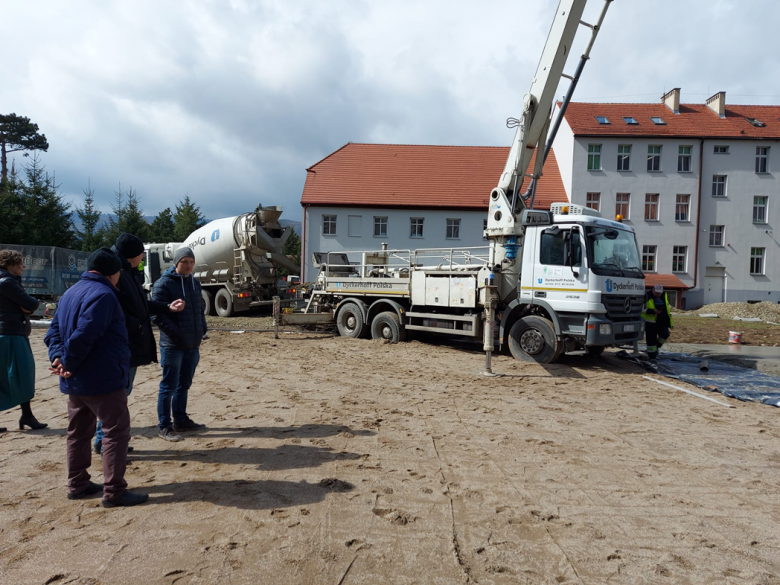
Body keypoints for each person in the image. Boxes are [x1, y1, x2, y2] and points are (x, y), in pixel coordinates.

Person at [44, 248, 148, 507]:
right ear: (113, 274)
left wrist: (58, 358)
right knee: (115, 431)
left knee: (78, 432)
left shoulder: (70, 292)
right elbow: (85, 334)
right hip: (101, 376)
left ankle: (77, 483)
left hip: (77, 379)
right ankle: (114, 491)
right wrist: (66, 361)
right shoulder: (104, 295)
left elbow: (54, 330)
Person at [92, 234, 185, 455]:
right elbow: (120, 311)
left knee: (121, 393)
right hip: (124, 345)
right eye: (140, 253)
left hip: (129, 344)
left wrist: (165, 307)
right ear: (131, 255)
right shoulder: (119, 274)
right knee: (117, 395)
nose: (143, 256)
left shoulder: (128, 272)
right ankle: (105, 442)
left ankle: (103, 440)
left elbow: (141, 305)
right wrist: (137, 326)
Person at [151, 247, 207, 441]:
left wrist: (202, 328)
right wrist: (177, 334)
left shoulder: (194, 283)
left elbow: (199, 309)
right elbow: (157, 314)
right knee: (169, 385)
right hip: (173, 346)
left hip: (193, 344)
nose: (189, 265)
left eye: (191, 262)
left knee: (184, 384)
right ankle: (164, 426)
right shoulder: (163, 284)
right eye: (185, 262)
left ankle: (181, 420)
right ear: (176, 263)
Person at [0, 249, 48, 432]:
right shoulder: (7, 283)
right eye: (20, 263)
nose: (23, 266)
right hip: (10, 334)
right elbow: (32, 304)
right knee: (23, 375)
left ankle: (27, 416)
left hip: (9, 332)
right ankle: (27, 416)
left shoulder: (8, 282)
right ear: (9, 264)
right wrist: (26, 307)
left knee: (8, 376)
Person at [642, 284, 674, 361]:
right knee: (651, 340)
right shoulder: (646, 296)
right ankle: (652, 356)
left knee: (665, 334)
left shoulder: (663, 296)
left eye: (659, 292)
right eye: (656, 292)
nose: (658, 294)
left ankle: (656, 347)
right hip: (650, 322)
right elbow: (641, 309)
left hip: (662, 320)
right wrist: (652, 311)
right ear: (653, 290)